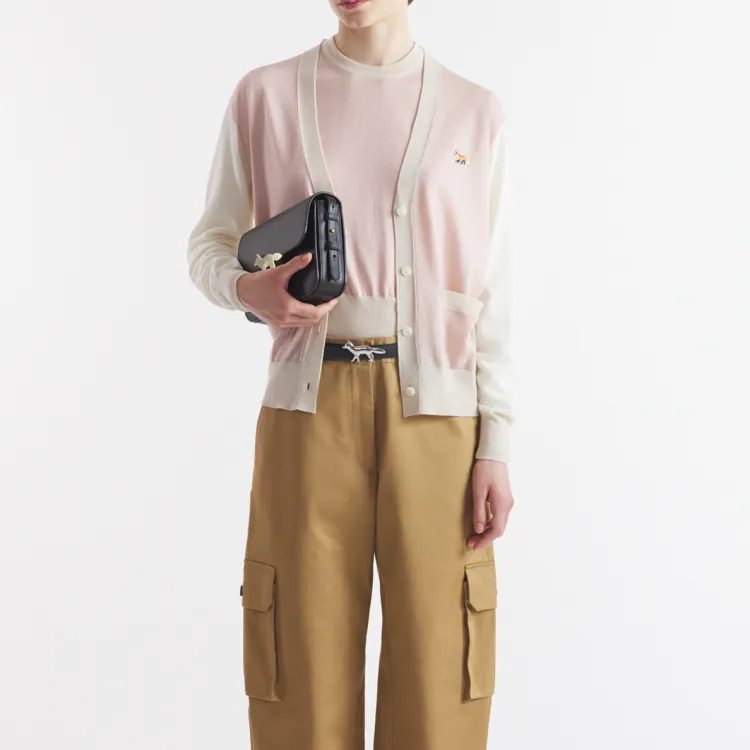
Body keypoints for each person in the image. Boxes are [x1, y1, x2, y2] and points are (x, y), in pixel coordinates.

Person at [186, 1, 515, 748]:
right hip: (307, 415)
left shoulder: (475, 111)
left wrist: (495, 442)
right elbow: (209, 242)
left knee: (440, 677)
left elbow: (494, 292)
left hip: (440, 421)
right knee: (298, 669)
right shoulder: (265, 96)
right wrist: (246, 289)